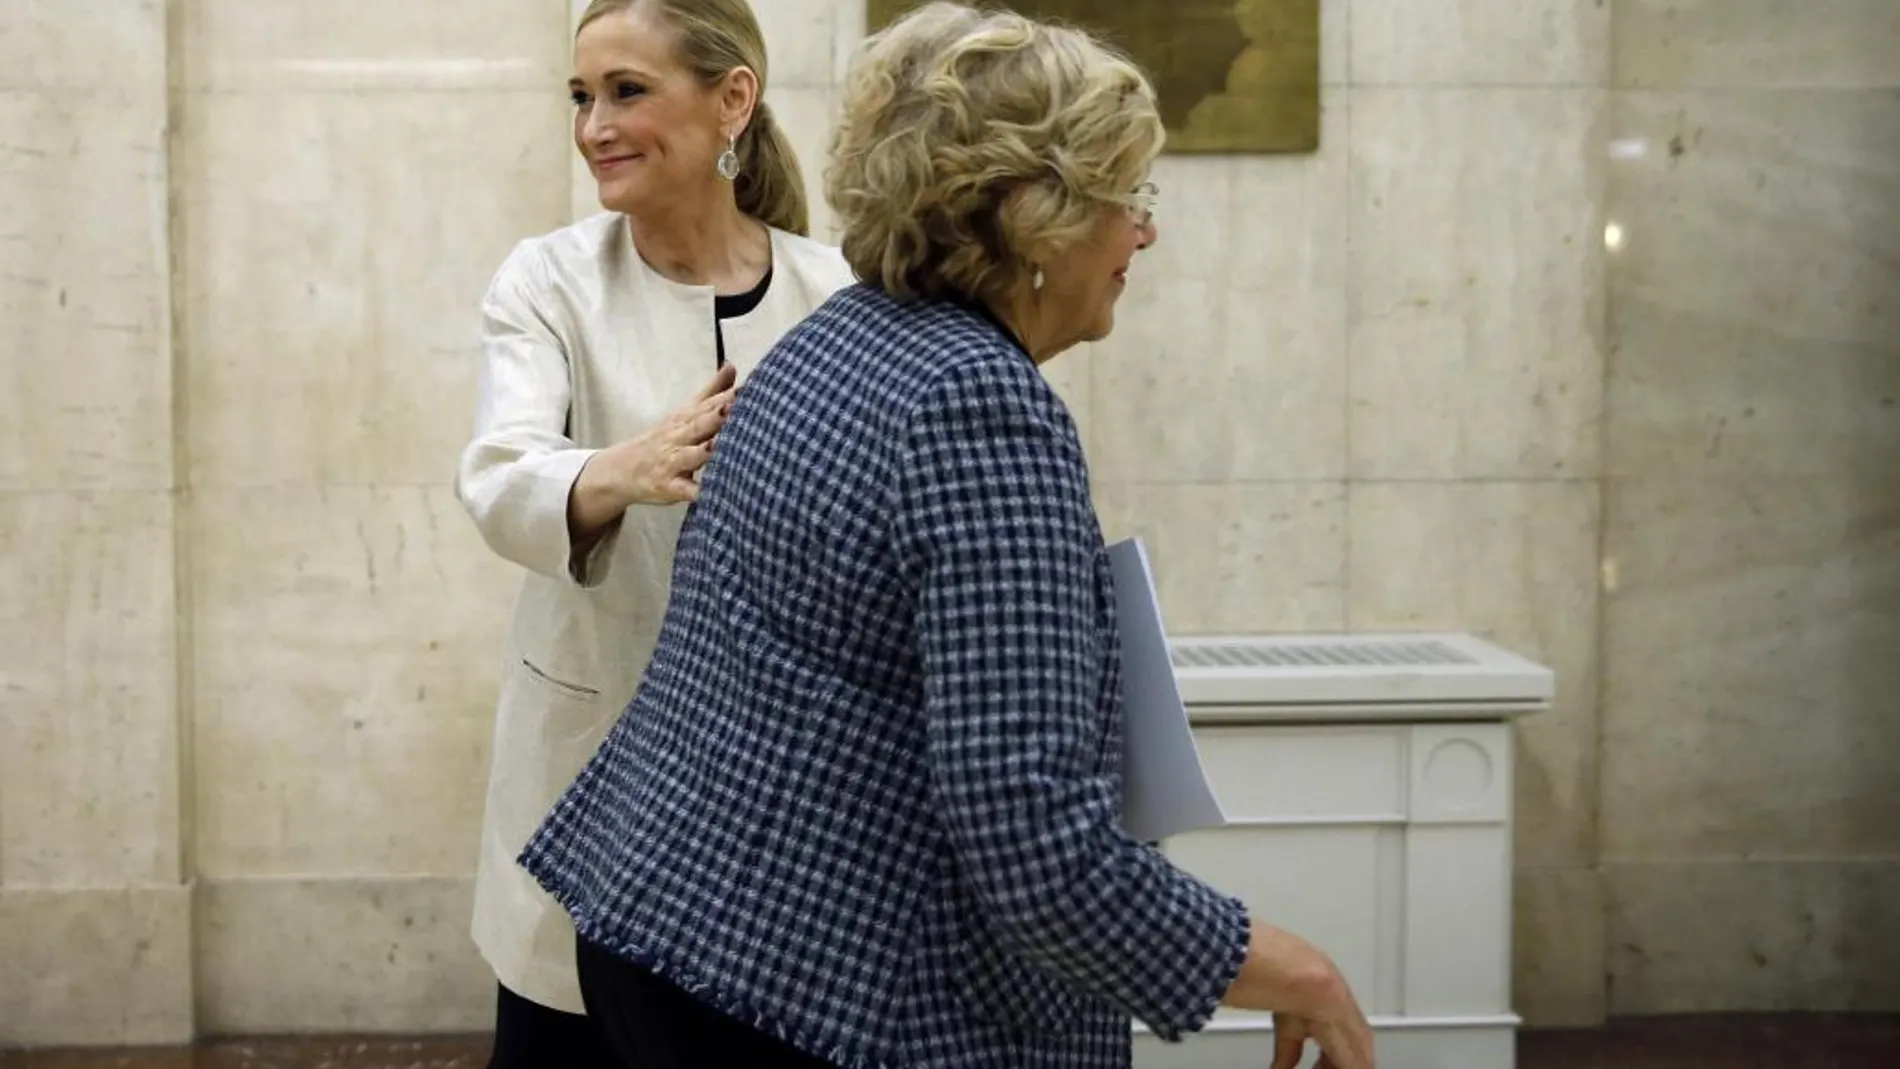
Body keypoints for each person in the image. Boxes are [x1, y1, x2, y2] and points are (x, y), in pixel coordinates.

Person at [520, 3, 1378, 1068]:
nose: (1141, 233)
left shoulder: (837, 338)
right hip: (805, 994)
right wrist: (1291, 968)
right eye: (1126, 196)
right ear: (1035, 217)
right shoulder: (976, 407)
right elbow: (1033, 844)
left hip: (680, 929)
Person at [453, 0, 854, 1064]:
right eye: (582, 96)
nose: (594, 126)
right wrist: (617, 470)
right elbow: (498, 478)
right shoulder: (549, 282)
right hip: (591, 784)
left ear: (732, 101)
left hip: (785, 814)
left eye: (627, 91)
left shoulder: (839, 294)